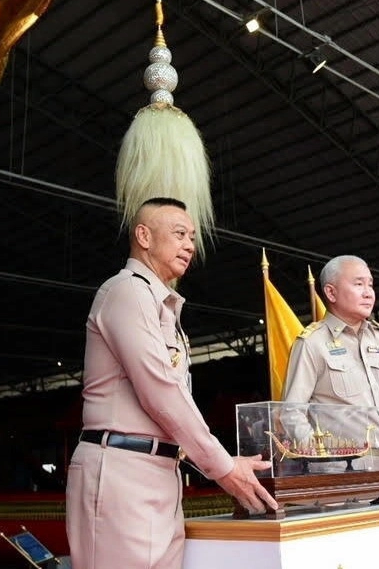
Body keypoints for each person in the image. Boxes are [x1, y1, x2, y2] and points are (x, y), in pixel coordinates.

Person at [65, 198, 277, 569]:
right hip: (122, 470)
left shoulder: (160, 302)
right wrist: (223, 467)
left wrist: (222, 459)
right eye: (179, 234)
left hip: (160, 471)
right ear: (143, 236)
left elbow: (178, 394)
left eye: (192, 237)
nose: (190, 245)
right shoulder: (125, 291)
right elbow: (159, 389)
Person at [281, 255, 379, 479]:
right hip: (340, 473)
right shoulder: (312, 343)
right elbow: (291, 412)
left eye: (370, 284)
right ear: (331, 293)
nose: (368, 292)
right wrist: (322, 459)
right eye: (358, 284)